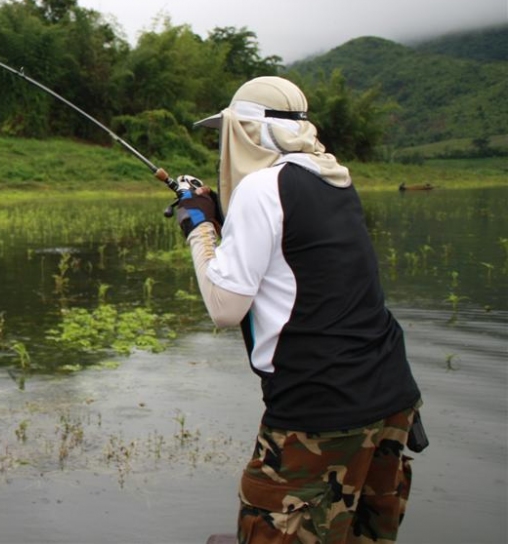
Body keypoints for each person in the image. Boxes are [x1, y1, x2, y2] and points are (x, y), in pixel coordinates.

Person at [174, 76, 425, 544]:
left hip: (318, 406)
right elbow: (290, 259)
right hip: (391, 396)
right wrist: (218, 218)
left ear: (244, 133)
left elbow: (225, 308)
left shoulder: (261, 188)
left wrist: (198, 226)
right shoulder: (334, 178)